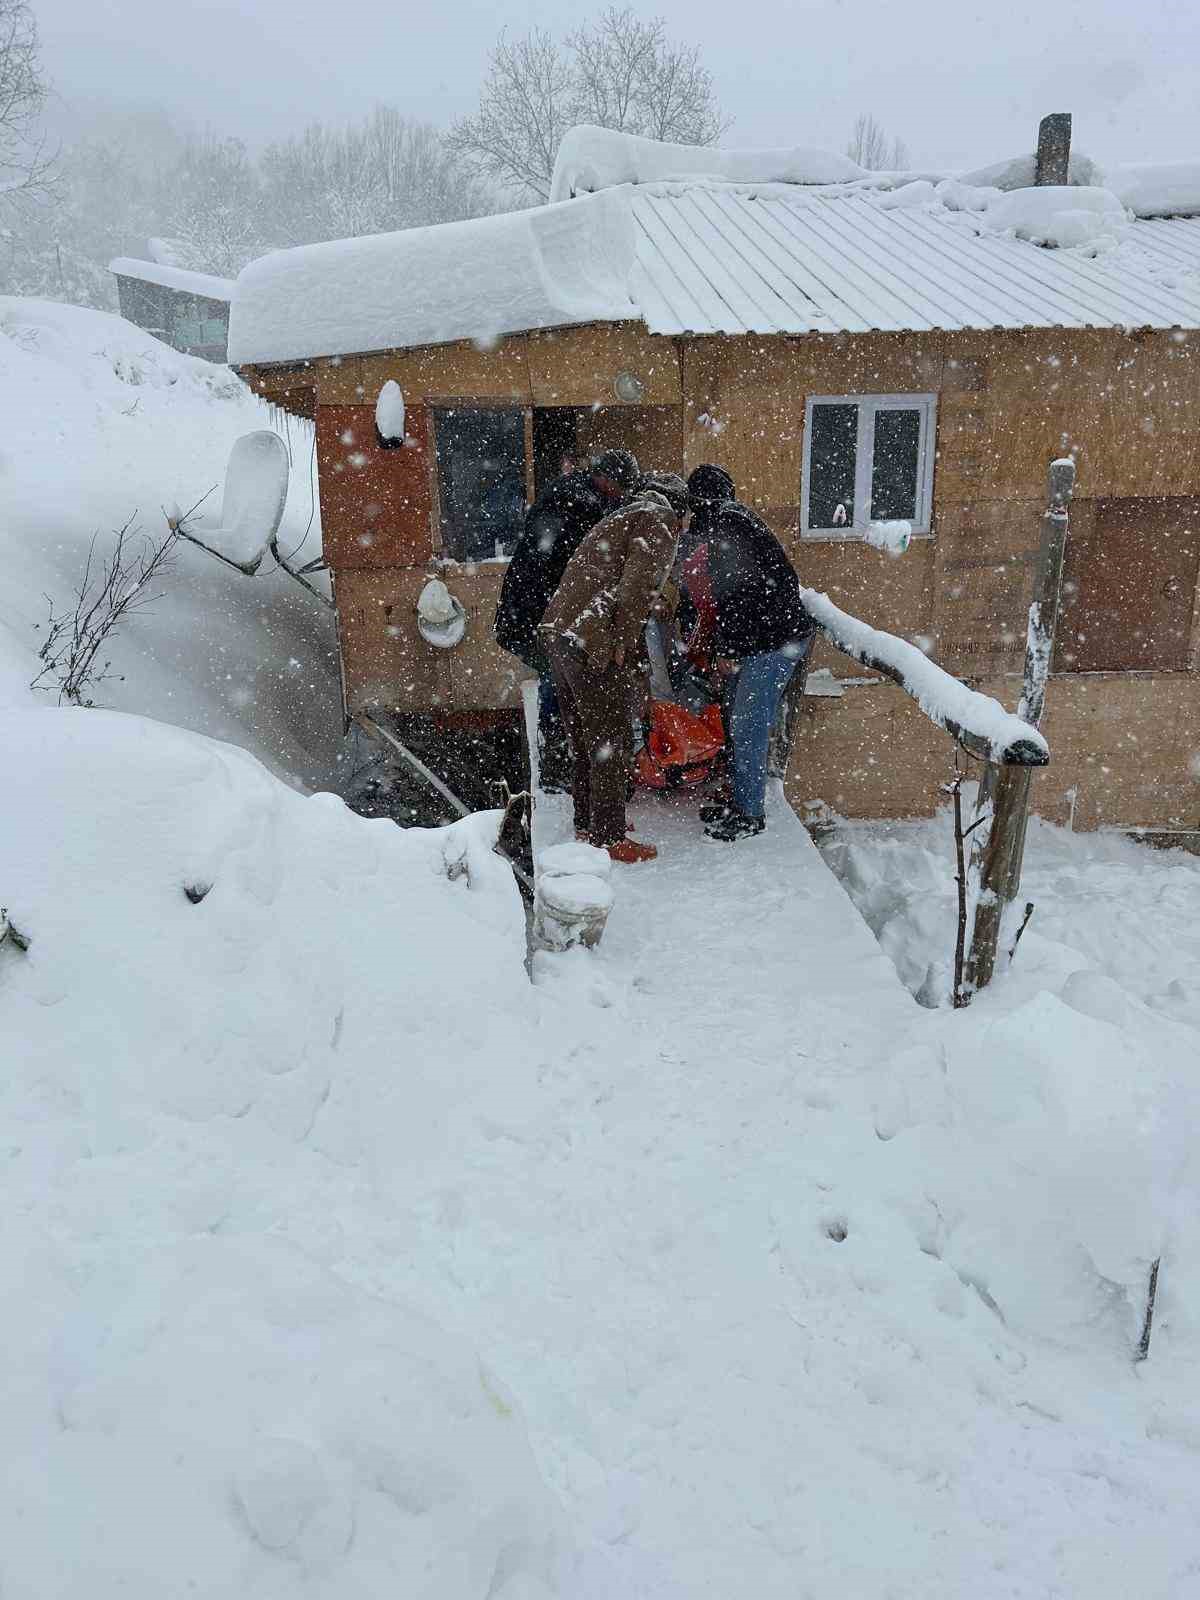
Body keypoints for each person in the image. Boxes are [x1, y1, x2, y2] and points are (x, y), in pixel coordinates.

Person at [539, 472, 689, 863]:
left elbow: (612, 580)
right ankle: (608, 836)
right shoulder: (659, 520)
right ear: (681, 509)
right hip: (590, 638)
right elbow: (636, 587)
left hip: (560, 632)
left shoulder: (624, 516)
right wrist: (621, 641)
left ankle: (588, 821)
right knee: (612, 739)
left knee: (586, 734)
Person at [682, 464, 816, 842]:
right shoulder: (729, 522)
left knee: (748, 725)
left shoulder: (728, 529)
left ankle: (750, 814)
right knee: (739, 721)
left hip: (775, 642)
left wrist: (727, 652)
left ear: (699, 501)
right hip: (766, 636)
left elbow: (738, 599)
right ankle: (741, 799)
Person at [494, 450, 640, 788]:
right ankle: (556, 763)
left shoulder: (574, 490)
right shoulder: (581, 504)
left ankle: (557, 757)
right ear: (607, 480)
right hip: (537, 611)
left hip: (529, 605)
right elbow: (582, 566)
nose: (621, 495)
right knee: (557, 679)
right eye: (620, 488)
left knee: (558, 677)